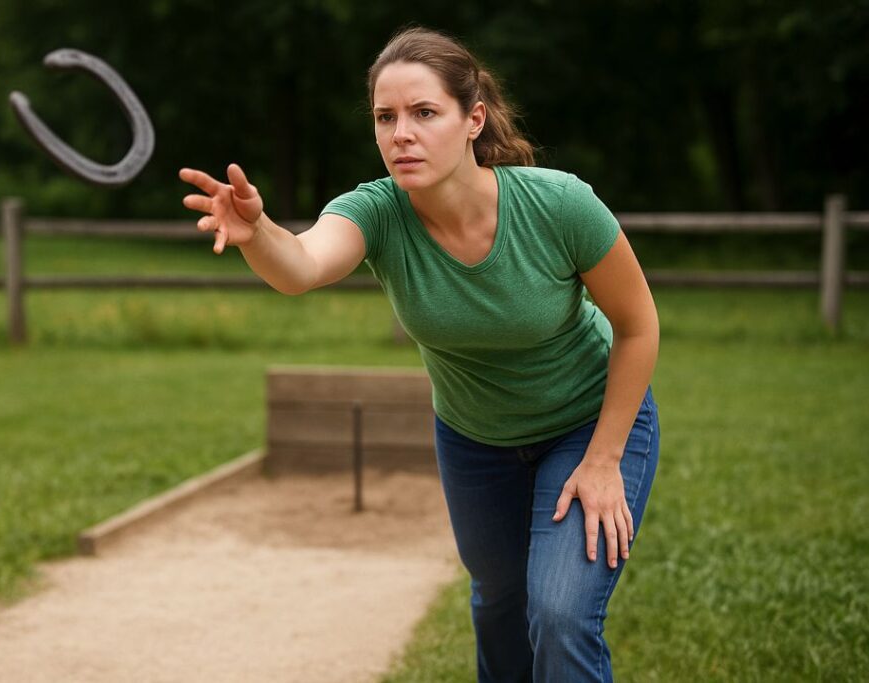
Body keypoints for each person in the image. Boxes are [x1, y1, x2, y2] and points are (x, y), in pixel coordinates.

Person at [179, 25, 660, 683]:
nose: (400, 133)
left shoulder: (559, 205)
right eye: (386, 117)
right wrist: (259, 231)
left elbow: (638, 325)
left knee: (558, 612)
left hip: (589, 420)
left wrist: (604, 459)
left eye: (423, 112)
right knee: (499, 604)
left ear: (473, 120)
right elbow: (301, 265)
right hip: (476, 441)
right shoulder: (377, 212)